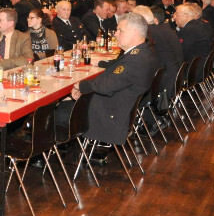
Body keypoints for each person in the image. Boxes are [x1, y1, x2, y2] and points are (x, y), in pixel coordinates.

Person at [60, 13, 158, 158]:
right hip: (117, 106)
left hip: (108, 114)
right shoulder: (142, 52)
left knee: (56, 112)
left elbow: (106, 86)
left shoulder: (135, 59)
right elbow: (113, 76)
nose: (115, 34)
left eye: (120, 31)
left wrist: (81, 86)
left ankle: (51, 155)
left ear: (134, 33)